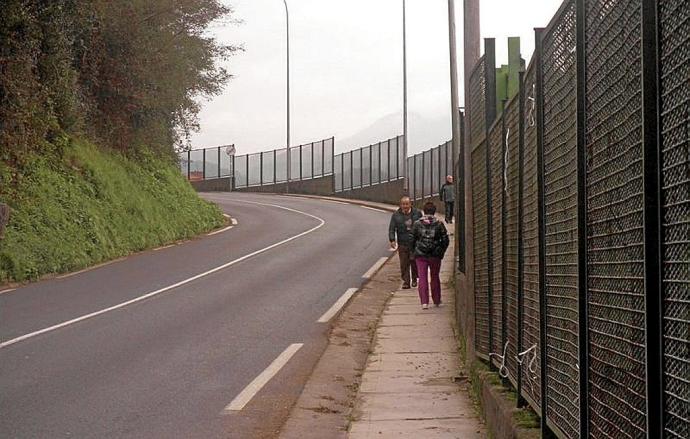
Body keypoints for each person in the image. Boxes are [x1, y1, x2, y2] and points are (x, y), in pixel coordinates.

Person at [410, 201, 450, 309]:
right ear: (434, 211)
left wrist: (414, 251)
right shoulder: (439, 224)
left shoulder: (417, 224)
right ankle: (436, 300)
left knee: (422, 277)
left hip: (420, 254)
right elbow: (445, 240)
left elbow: (412, 239)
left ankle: (424, 302)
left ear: (424, 211)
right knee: (435, 276)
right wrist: (441, 251)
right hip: (435, 255)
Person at [388, 196, 422, 289]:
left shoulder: (417, 213)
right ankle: (406, 281)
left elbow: (422, 226)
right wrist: (392, 240)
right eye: (403, 204)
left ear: (410, 204)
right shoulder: (396, 215)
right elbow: (392, 229)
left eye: (407, 204)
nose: (405, 206)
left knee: (414, 262)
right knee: (404, 263)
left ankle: (415, 278)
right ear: (400, 205)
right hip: (402, 242)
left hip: (415, 243)